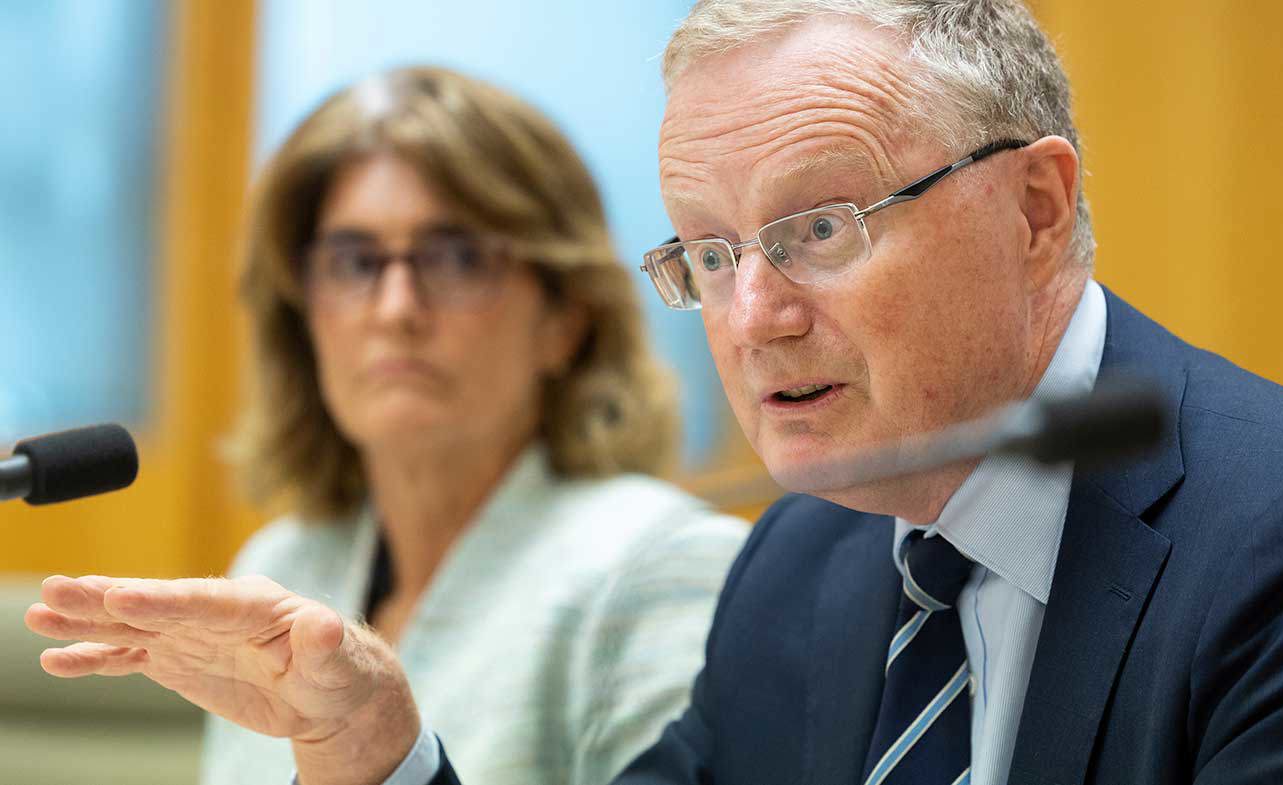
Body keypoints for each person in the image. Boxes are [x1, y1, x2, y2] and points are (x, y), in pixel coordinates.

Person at [25, 3, 1283, 785]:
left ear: (1035, 208)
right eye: (714, 252)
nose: (754, 317)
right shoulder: (806, 560)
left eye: (818, 229)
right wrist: (377, 746)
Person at [33, 65, 750, 785]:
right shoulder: (282, 564)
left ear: (564, 316)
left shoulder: (665, 564)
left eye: (457, 257)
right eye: (353, 262)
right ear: (303, 318)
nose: (396, 307)